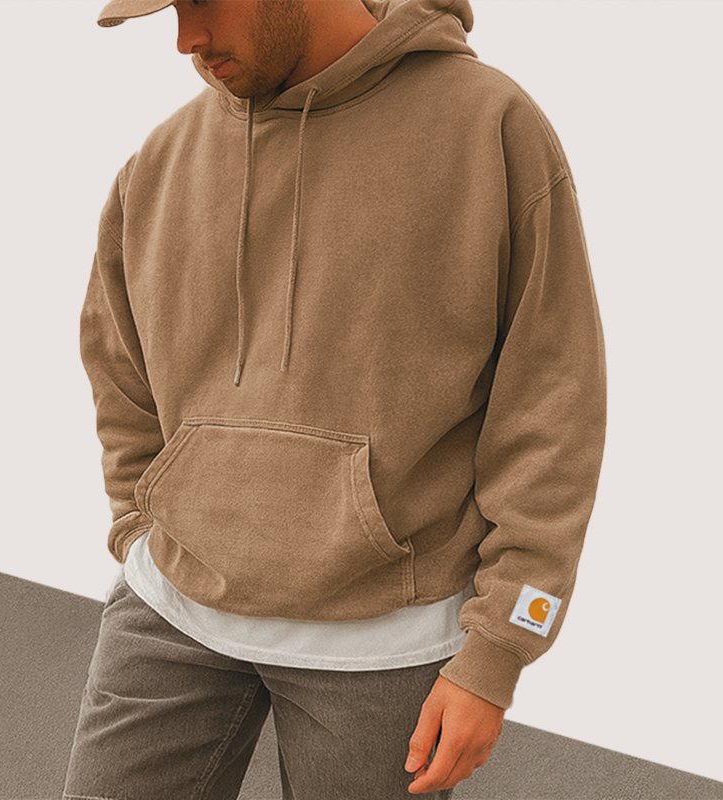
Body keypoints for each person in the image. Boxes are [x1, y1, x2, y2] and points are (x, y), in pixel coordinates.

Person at [64, 0, 606, 797]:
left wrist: (499, 650)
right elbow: (118, 367)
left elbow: (552, 402)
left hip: (383, 642)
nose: (185, 40)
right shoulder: (163, 159)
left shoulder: (489, 129)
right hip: (171, 608)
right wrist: (137, 526)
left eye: (201, 1)